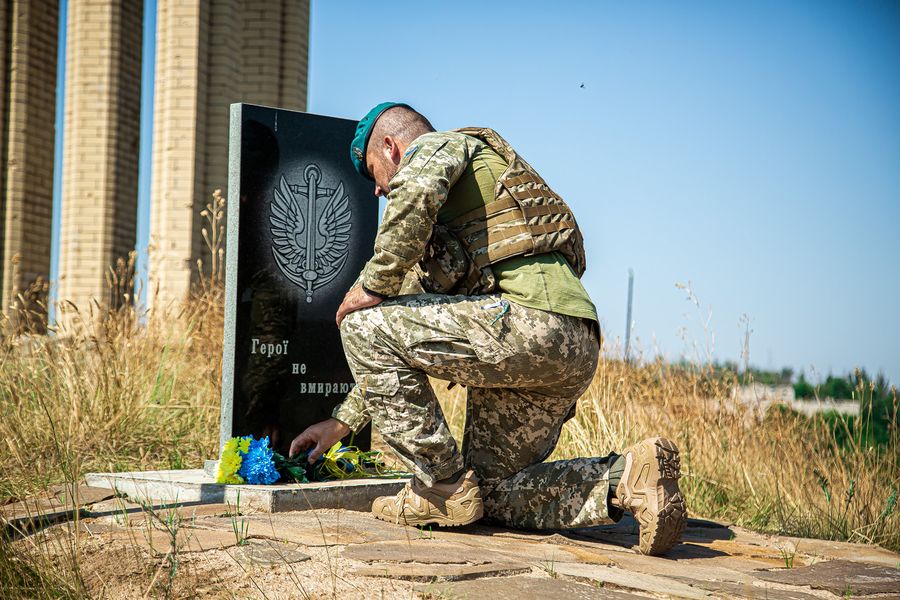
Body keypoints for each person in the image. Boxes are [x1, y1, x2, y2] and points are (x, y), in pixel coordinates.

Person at [289, 102, 686, 555]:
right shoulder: (461, 213)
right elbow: (400, 338)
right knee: (489, 494)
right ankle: (627, 478)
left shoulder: (438, 148)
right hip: (572, 344)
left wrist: (371, 286)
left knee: (361, 322)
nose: (378, 191)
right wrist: (343, 422)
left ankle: (439, 486)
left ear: (391, 147)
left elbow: (409, 212)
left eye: (372, 174)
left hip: (527, 324)